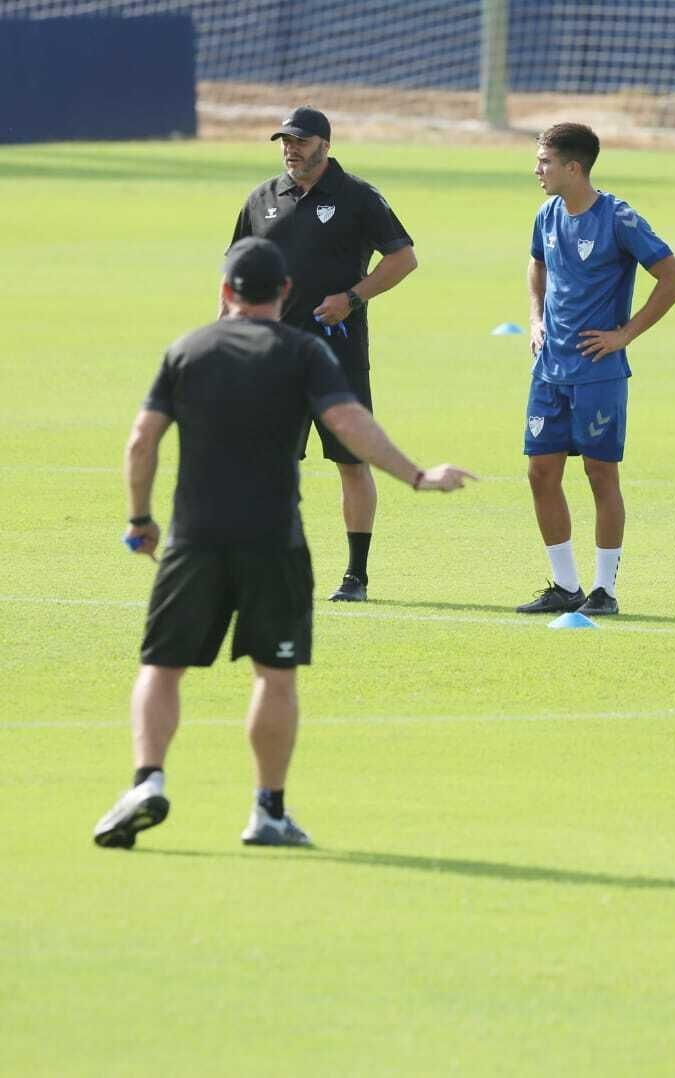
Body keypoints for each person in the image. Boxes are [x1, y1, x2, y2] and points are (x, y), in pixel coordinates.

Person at [93, 239, 474, 850]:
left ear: (226, 291)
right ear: (285, 294)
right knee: (274, 675)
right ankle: (267, 810)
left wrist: (140, 519)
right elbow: (349, 424)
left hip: (195, 539)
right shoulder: (302, 353)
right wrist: (418, 476)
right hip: (274, 539)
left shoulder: (187, 350)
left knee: (162, 668)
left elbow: (142, 441)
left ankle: (147, 779)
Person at [230, 105, 418, 603]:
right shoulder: (262, 199)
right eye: (284, 142)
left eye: (300, 141)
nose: (291, 149)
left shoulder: (357, 197)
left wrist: (352, 297)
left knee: (352, 463)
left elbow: (403, 258)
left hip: (338, 357)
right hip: (272, 358)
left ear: (325, 145)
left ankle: (355, 575)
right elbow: (236, 276)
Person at [517, 122, 675, 617]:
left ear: (574, 167)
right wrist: (535, 319)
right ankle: (566, 586)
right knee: (540, 472)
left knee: (600, 474)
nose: (537, 170)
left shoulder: (619, 218)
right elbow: (537, 266)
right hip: (549, 369)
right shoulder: (546, 215)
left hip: (598, 371)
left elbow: (673, 279)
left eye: (545, 162)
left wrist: (625, 334)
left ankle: (604, 590)